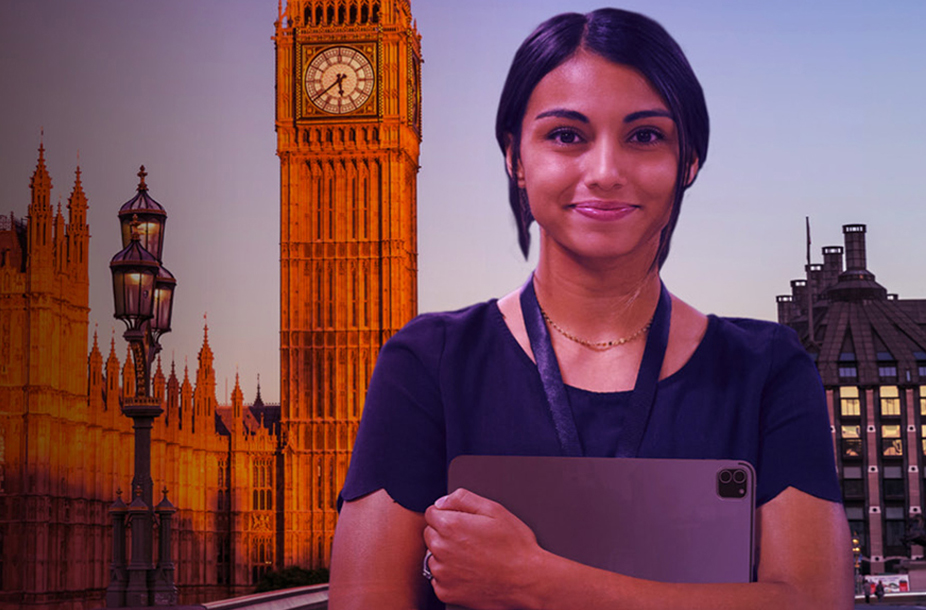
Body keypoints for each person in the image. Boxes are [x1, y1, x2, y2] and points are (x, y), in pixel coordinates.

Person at [330, 8, 852, 610]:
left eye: (644, 136)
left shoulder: (768, 370)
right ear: (514, 158)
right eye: (567, 136)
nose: (604, 172)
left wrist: (537, 582)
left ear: (690, 163)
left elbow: (816, 603)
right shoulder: (427, 364)